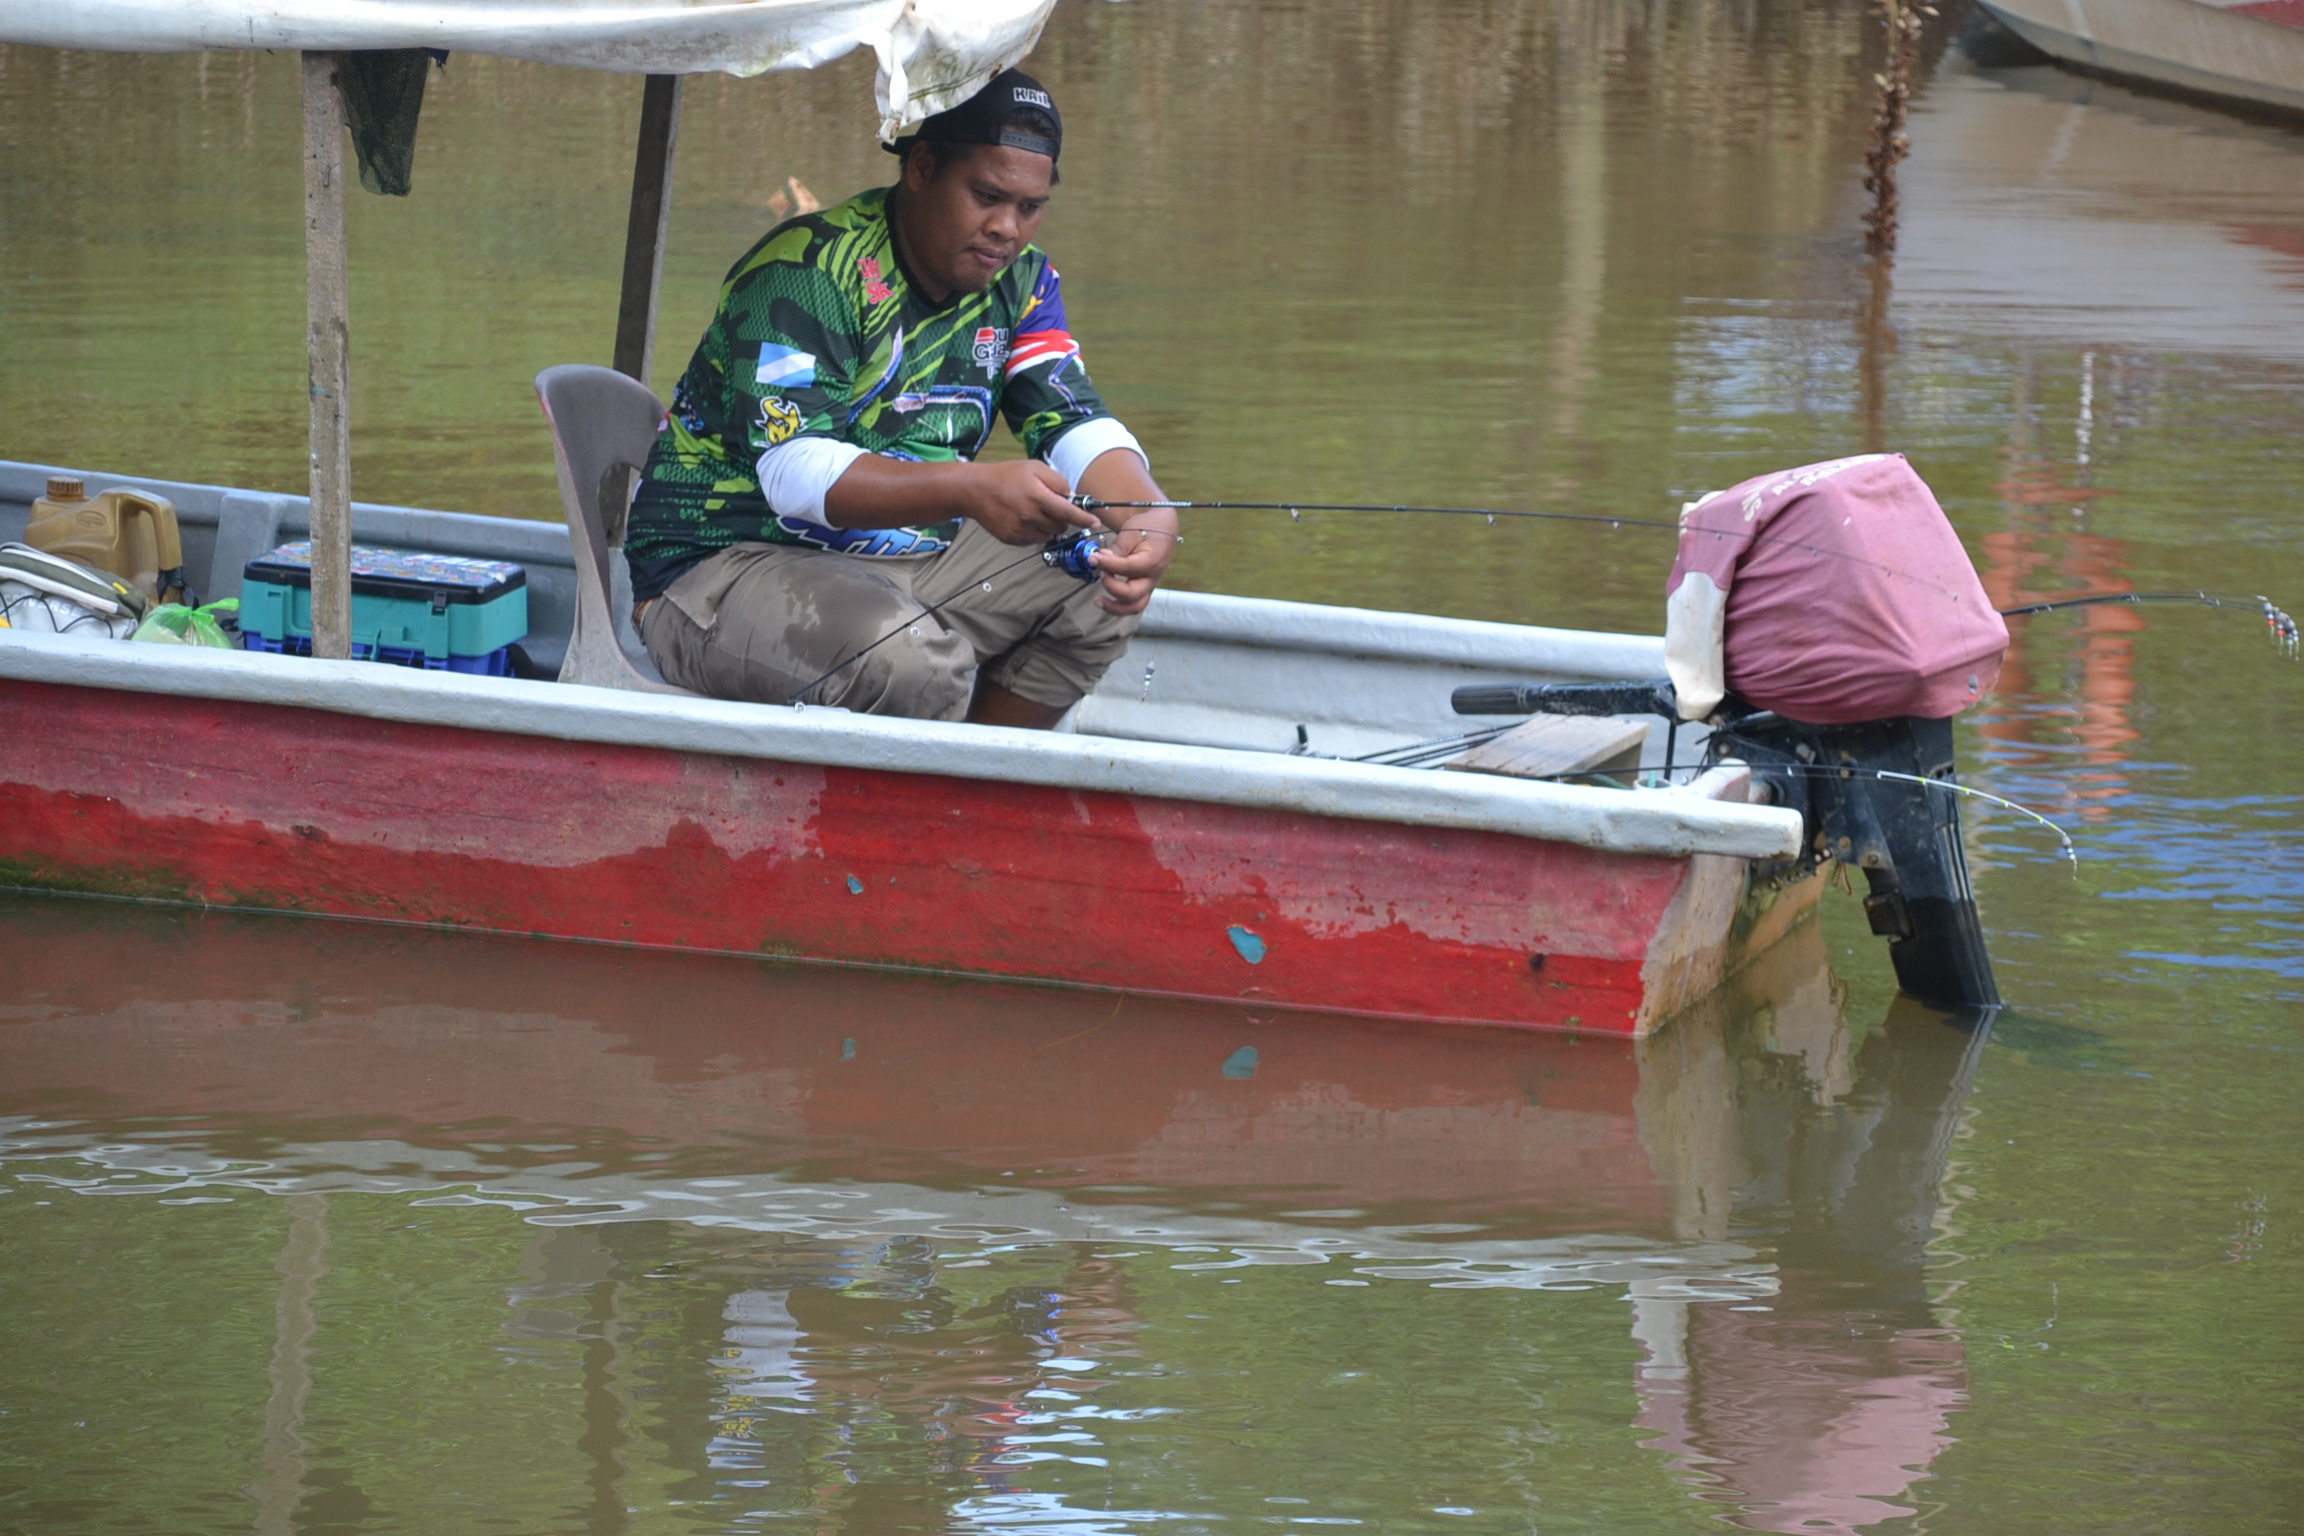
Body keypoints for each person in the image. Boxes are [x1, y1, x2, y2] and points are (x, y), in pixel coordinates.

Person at [623, 68, 1179, 728]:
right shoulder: (808, 272)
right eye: (987, 196)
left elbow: (1068, 413)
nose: (1007, 228)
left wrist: (1147, 512)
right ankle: (940, 807)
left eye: (1030, 207)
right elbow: (793, 473)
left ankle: (977, 801)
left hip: (903, 554)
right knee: (911, 666)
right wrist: (969, 489)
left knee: (1095, 575)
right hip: (723, 568)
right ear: (921, 168)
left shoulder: (1022, 280)